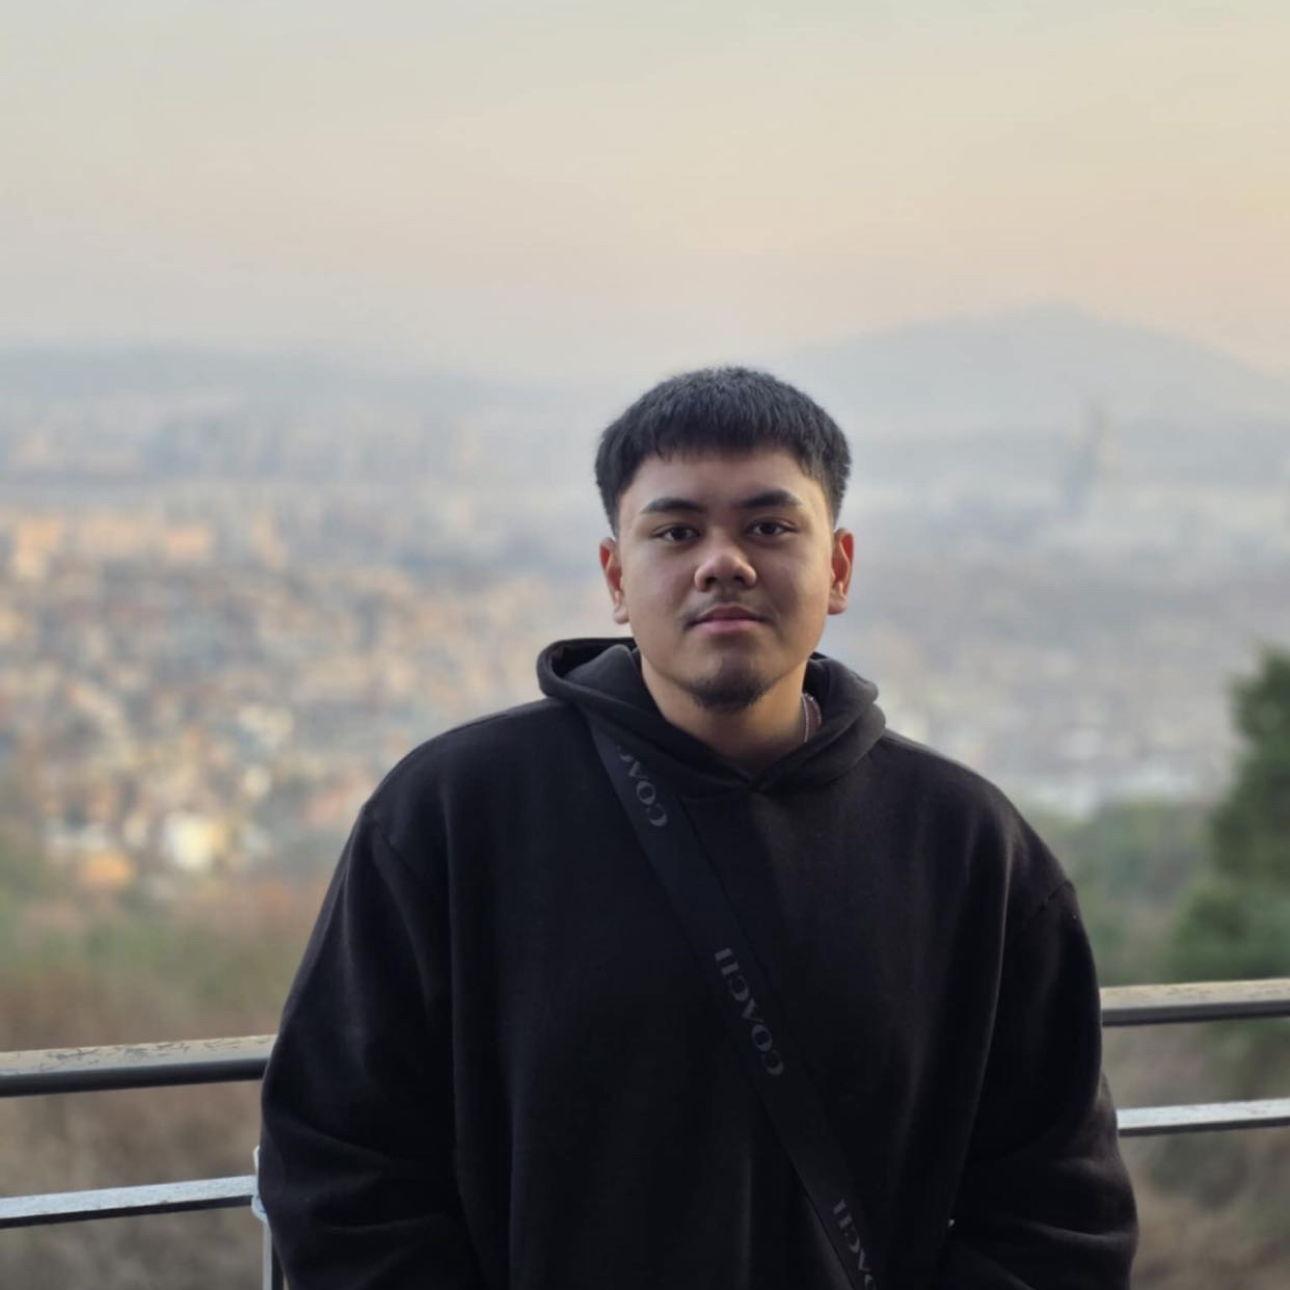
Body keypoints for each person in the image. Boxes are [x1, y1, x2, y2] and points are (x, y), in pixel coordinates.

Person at [259, 367, 1138, 1289]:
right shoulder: (453, 815)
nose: (724, 563)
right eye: (677, 532)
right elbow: (338, 1160)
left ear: (838, 568)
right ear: (616, 578)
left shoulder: (966, 849)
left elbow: (1057, 1205)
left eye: (769, 527)